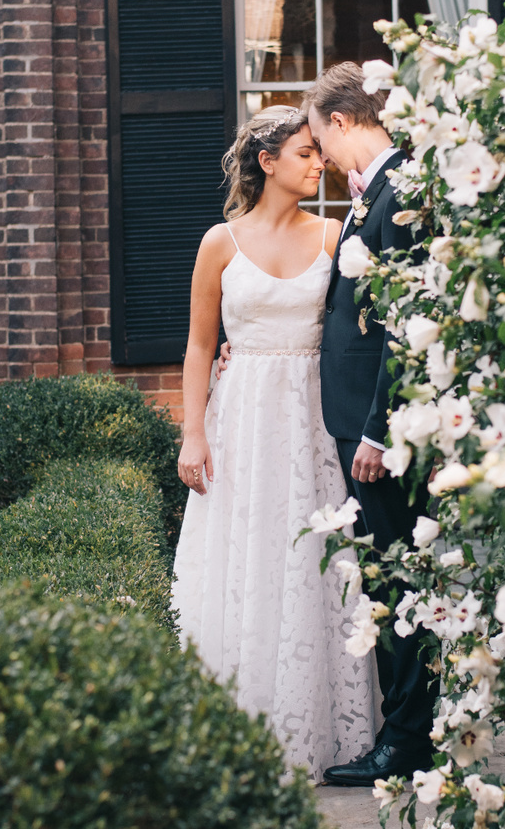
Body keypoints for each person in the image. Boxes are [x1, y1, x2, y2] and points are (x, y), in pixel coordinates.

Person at [172, 105, 375, 784]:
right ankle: (236, 726)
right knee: (245, 558)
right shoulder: (219, 243)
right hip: (242, 417)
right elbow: (201, 345)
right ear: (266, 163)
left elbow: (358, 334)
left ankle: (317, 729)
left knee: (311, 561)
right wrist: (192, 432)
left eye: (320, 153)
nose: (318, 164)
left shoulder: (332, 236)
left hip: (310, 417)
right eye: (304, 154)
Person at [303, 62, 436, 786]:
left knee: (398, 588)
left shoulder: (401, 191)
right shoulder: (374, 193)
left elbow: (405, 324)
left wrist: (380, 431)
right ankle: (407, 736)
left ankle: (406, 745)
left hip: (377, 433)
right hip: (357, 423)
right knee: (388, 582)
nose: (319, 154)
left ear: (344, 121)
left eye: (320, 137)